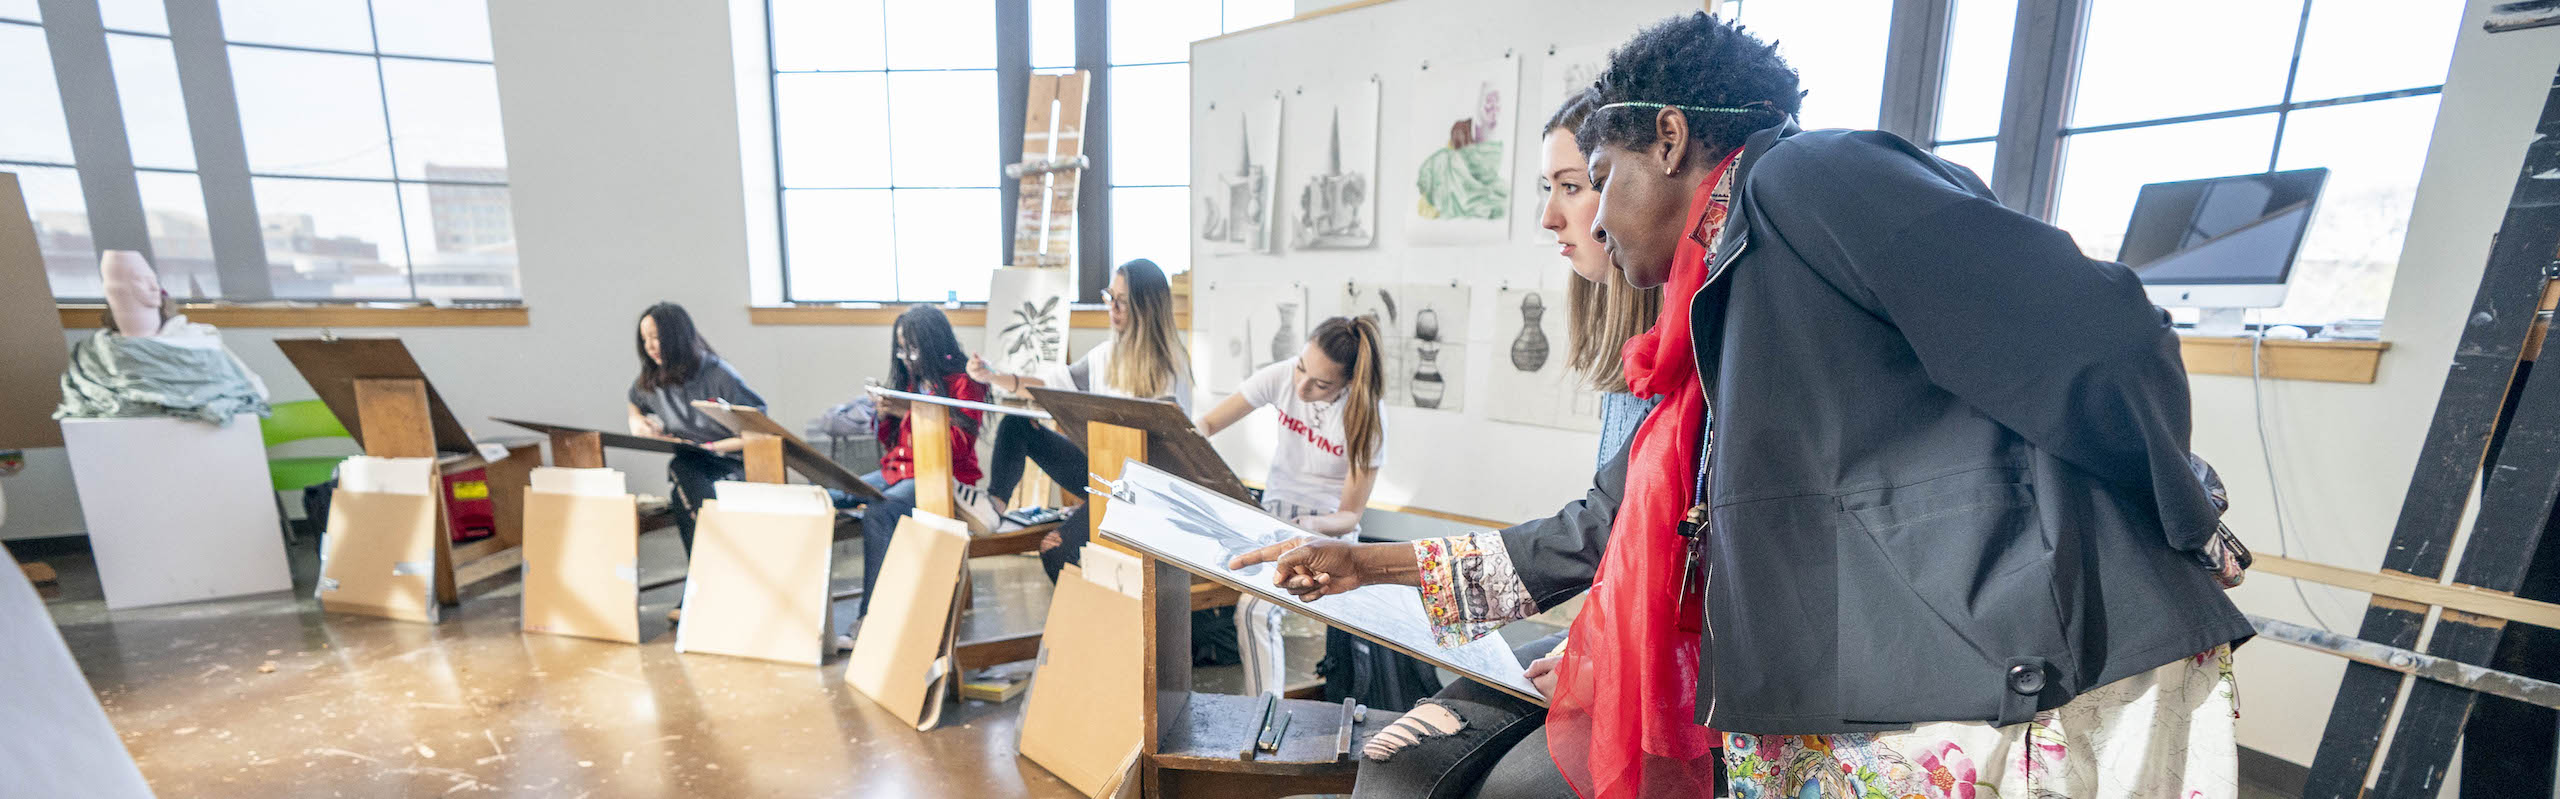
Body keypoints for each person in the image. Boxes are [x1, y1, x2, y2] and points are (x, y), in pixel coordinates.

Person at [1236, 13, 2252, 799]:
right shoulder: (1712, 315)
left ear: (1669, 139)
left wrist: (2183, 507)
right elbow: (1602, 525)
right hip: (1893, 683)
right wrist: (1368, 563)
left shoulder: (1809, 177)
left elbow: (2100, 330)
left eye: (1600, 176)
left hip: (2032, 673)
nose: (1589, 212)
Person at [1347, 90, 1670, 798]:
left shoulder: (1689, 351)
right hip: (1604, 636)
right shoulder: (1629, 354)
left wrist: (1375, 564)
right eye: (1548, 188)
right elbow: (1605, 546)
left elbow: (1593, 538)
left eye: (1575, 186)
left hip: (1664, 664)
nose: (1550, 217)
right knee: (1395, 762)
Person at [1193, 316, 1389, 699]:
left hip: (1327, 531)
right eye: (1301, 367)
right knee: (1240, 603)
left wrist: (1307, 525)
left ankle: (1265, 716)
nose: (1302, 386)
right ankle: (1264, 709)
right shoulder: (1283, 376)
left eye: (1321, 384)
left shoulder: (1366, 415)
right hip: (1275, 516)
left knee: (1256, 611)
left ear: (1348, 383)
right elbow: (1207, 424)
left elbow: (1350, 515)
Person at [967, 258, 1195, 580]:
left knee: (1056, 551)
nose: (1112, 308)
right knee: (1017, 425)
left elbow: (1168, 453)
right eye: (1109, 297)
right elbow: (1049, 388)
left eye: (1123, 302)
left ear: (1146, 308)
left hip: (1141, 490)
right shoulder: (1105, 355)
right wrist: (994, 376)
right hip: (1101, 472)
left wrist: (1097, 508)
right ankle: (993, 507)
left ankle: (1098, 606)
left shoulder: (1170, 368)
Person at [846, 305, 997, 620]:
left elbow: (957, 446)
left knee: (880, 512)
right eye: (901, 350)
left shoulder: (963, 382)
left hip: (943, 476)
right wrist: (884, 416)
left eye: (912, 350)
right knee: (828, 491)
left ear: (932, 345)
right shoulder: (913, 380)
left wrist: (908, 413)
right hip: (899, 471)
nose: (906, 359)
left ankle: (871, 617)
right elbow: (894, 444)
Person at [626, 302, 765, 561]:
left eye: (656, 337)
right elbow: (634, 400)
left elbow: (759, 432)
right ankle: (709, 564)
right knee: (683, 471)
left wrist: (711, 447)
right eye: (644, 340)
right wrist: (637, 420)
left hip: (734, 462)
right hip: (694, 461)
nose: (650, 346)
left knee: (681, 474)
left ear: (677, 337)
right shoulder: (654, 378)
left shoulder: (718, 375)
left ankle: (705, 566)